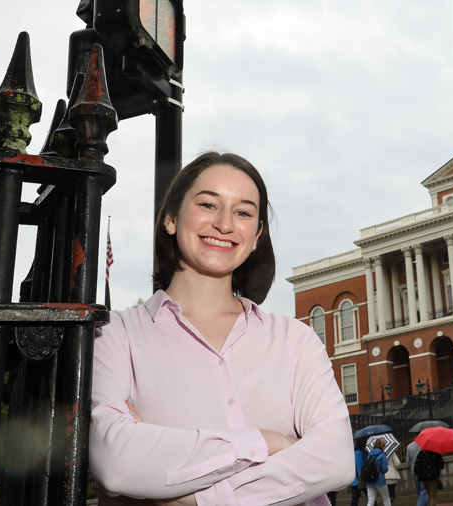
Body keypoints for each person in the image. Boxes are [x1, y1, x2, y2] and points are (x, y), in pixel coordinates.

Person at [89, 152, 355, 505]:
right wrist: (266, 443)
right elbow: (117, 462)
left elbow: (335, 460)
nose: (225, 224)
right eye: (209, 204)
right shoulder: (115, 336)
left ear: (257, 234)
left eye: (243, 212)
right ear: (170, 218)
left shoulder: (295, 340)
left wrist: (190, 497)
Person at [365, 438, 391, 506]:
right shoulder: (382, 455)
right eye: (384, 445)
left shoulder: (369, 454)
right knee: (386, 498)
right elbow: (384, 469)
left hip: (369, 480)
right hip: (380, 480)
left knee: (370, 501)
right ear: (382, 446)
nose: (385, 447)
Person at [405, 440, 429, 506]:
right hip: (424, 470)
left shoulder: (409, 446)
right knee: (424, 490)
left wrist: (412, 465)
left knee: (419, 490)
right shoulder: (425, 445)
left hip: (414, 470)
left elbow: (407, 462)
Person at [351, 439, 368, 506]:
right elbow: (367, 464)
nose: (366, 443)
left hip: (354, 479)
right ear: (361, 442)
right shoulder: (363, 452)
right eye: (365, 442)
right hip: (362, 478)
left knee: (354, 500)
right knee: (371, 497)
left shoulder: (351, 452)